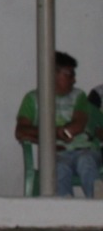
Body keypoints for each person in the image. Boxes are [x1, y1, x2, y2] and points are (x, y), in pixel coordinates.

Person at [14, 51, 100, 197]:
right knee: (58, 169)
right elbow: (21, 131)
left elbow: (78, 125)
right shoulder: (32, 99)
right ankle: (65, 208)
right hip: (56, 153)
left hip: (84, 149)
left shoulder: (78, 95)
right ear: (52, 74)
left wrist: (55, 133)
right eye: (70, 75)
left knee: (86, 162)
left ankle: (98, 205)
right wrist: (52, 135)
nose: (74, 80)